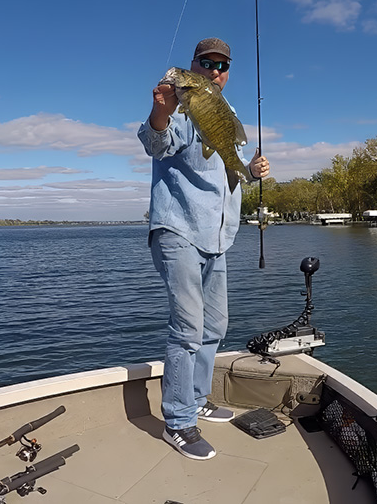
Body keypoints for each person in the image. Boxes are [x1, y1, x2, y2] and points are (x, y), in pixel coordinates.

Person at [137, 37, 270, 460]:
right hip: (178, 230)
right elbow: (157, 142)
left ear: (227, 72)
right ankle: (178, 422)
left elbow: (222, 165)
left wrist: (248, 171)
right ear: (194, 66)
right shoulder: (183, 104)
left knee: (215, 326)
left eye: (222, 65)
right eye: (206, 63)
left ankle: (196, 397)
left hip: (219, 236)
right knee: (188, 329)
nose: (214, 70)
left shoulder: (225, 111)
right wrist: (161, 109)